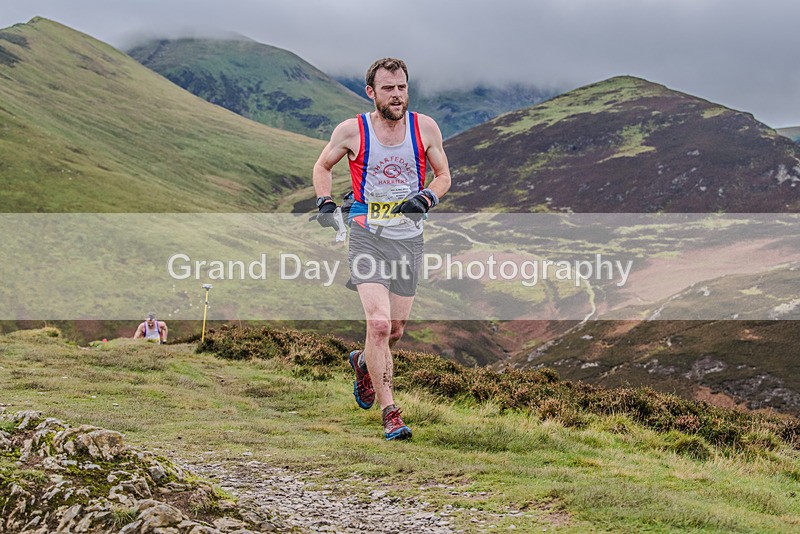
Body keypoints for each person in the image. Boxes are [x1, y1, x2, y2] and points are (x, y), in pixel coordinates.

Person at [312, 58, 451, 440]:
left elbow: (443, 176)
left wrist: (427, 198)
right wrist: (325, 201)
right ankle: (391, 413)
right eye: (388, 88)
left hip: (408, 238)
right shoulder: (352, 130)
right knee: (378, 324)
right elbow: (322, 167)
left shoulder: (425, 128)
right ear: (371, 92)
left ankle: (362, 362)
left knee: (396, 330)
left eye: (402, 87)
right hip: (366, 233)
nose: (397, 95)